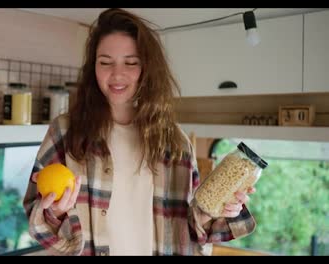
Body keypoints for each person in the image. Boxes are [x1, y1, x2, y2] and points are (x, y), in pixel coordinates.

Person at [23, 8, 257, 256]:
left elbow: (193, 227)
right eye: (105, 62)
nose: (117, 74)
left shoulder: (175, 141)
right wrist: (55, 212)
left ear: (146, 68)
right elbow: (36, 214)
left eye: (131, 62)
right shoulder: (66, 132)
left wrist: (221, 208)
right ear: (93, 67)